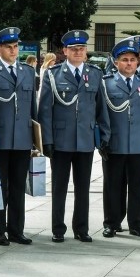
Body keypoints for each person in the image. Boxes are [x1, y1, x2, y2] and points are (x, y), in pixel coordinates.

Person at [39, 30, 110, 242]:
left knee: (83, 187)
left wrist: (105, 135)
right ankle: (58, 229)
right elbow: (45, 111)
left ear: (85, 51)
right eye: (73, 49)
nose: (78, 52)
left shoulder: (95, 74)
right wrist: (47, 140)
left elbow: (101, 108)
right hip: (61, 141)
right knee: (59, 187)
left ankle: (81, 228)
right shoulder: (53, 74)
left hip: (85, 140)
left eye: (81, 48)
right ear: (65, 51)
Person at [0, 27, 37, 246]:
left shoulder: (27, 72)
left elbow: (33, 110)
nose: (13, 51)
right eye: (8, 47)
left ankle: (16, 230)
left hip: (22, 138)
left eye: (15, 47)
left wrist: (35, 139)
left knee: (18, 187)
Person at [100, 37, 140, 238]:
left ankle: (137, 223)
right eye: (124, 59)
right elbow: (100, 115)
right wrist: (102, 140)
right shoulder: (107, 84)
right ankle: (112, 222)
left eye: (132, 60)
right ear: (116, 62)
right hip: (114, 144)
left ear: (138, 62)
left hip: (139, 144)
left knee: (138, 187)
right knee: (113, 186)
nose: (128, 63)